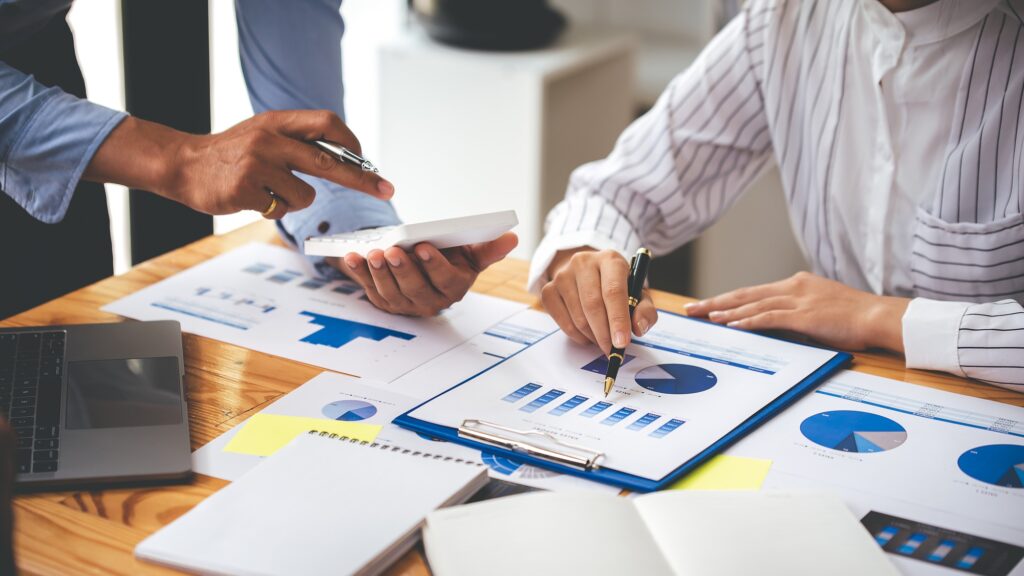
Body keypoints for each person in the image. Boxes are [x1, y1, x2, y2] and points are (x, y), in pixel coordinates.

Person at [530, 0, 1024, 392]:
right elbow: (618, 191)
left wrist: (877, 317)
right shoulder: (782, 18)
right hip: (843, 391)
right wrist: (587, 256)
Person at [0, 0, 514, 320]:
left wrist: (361, 243)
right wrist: (176, 160)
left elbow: (299, 96)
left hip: (32, 53)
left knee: (60, 376)